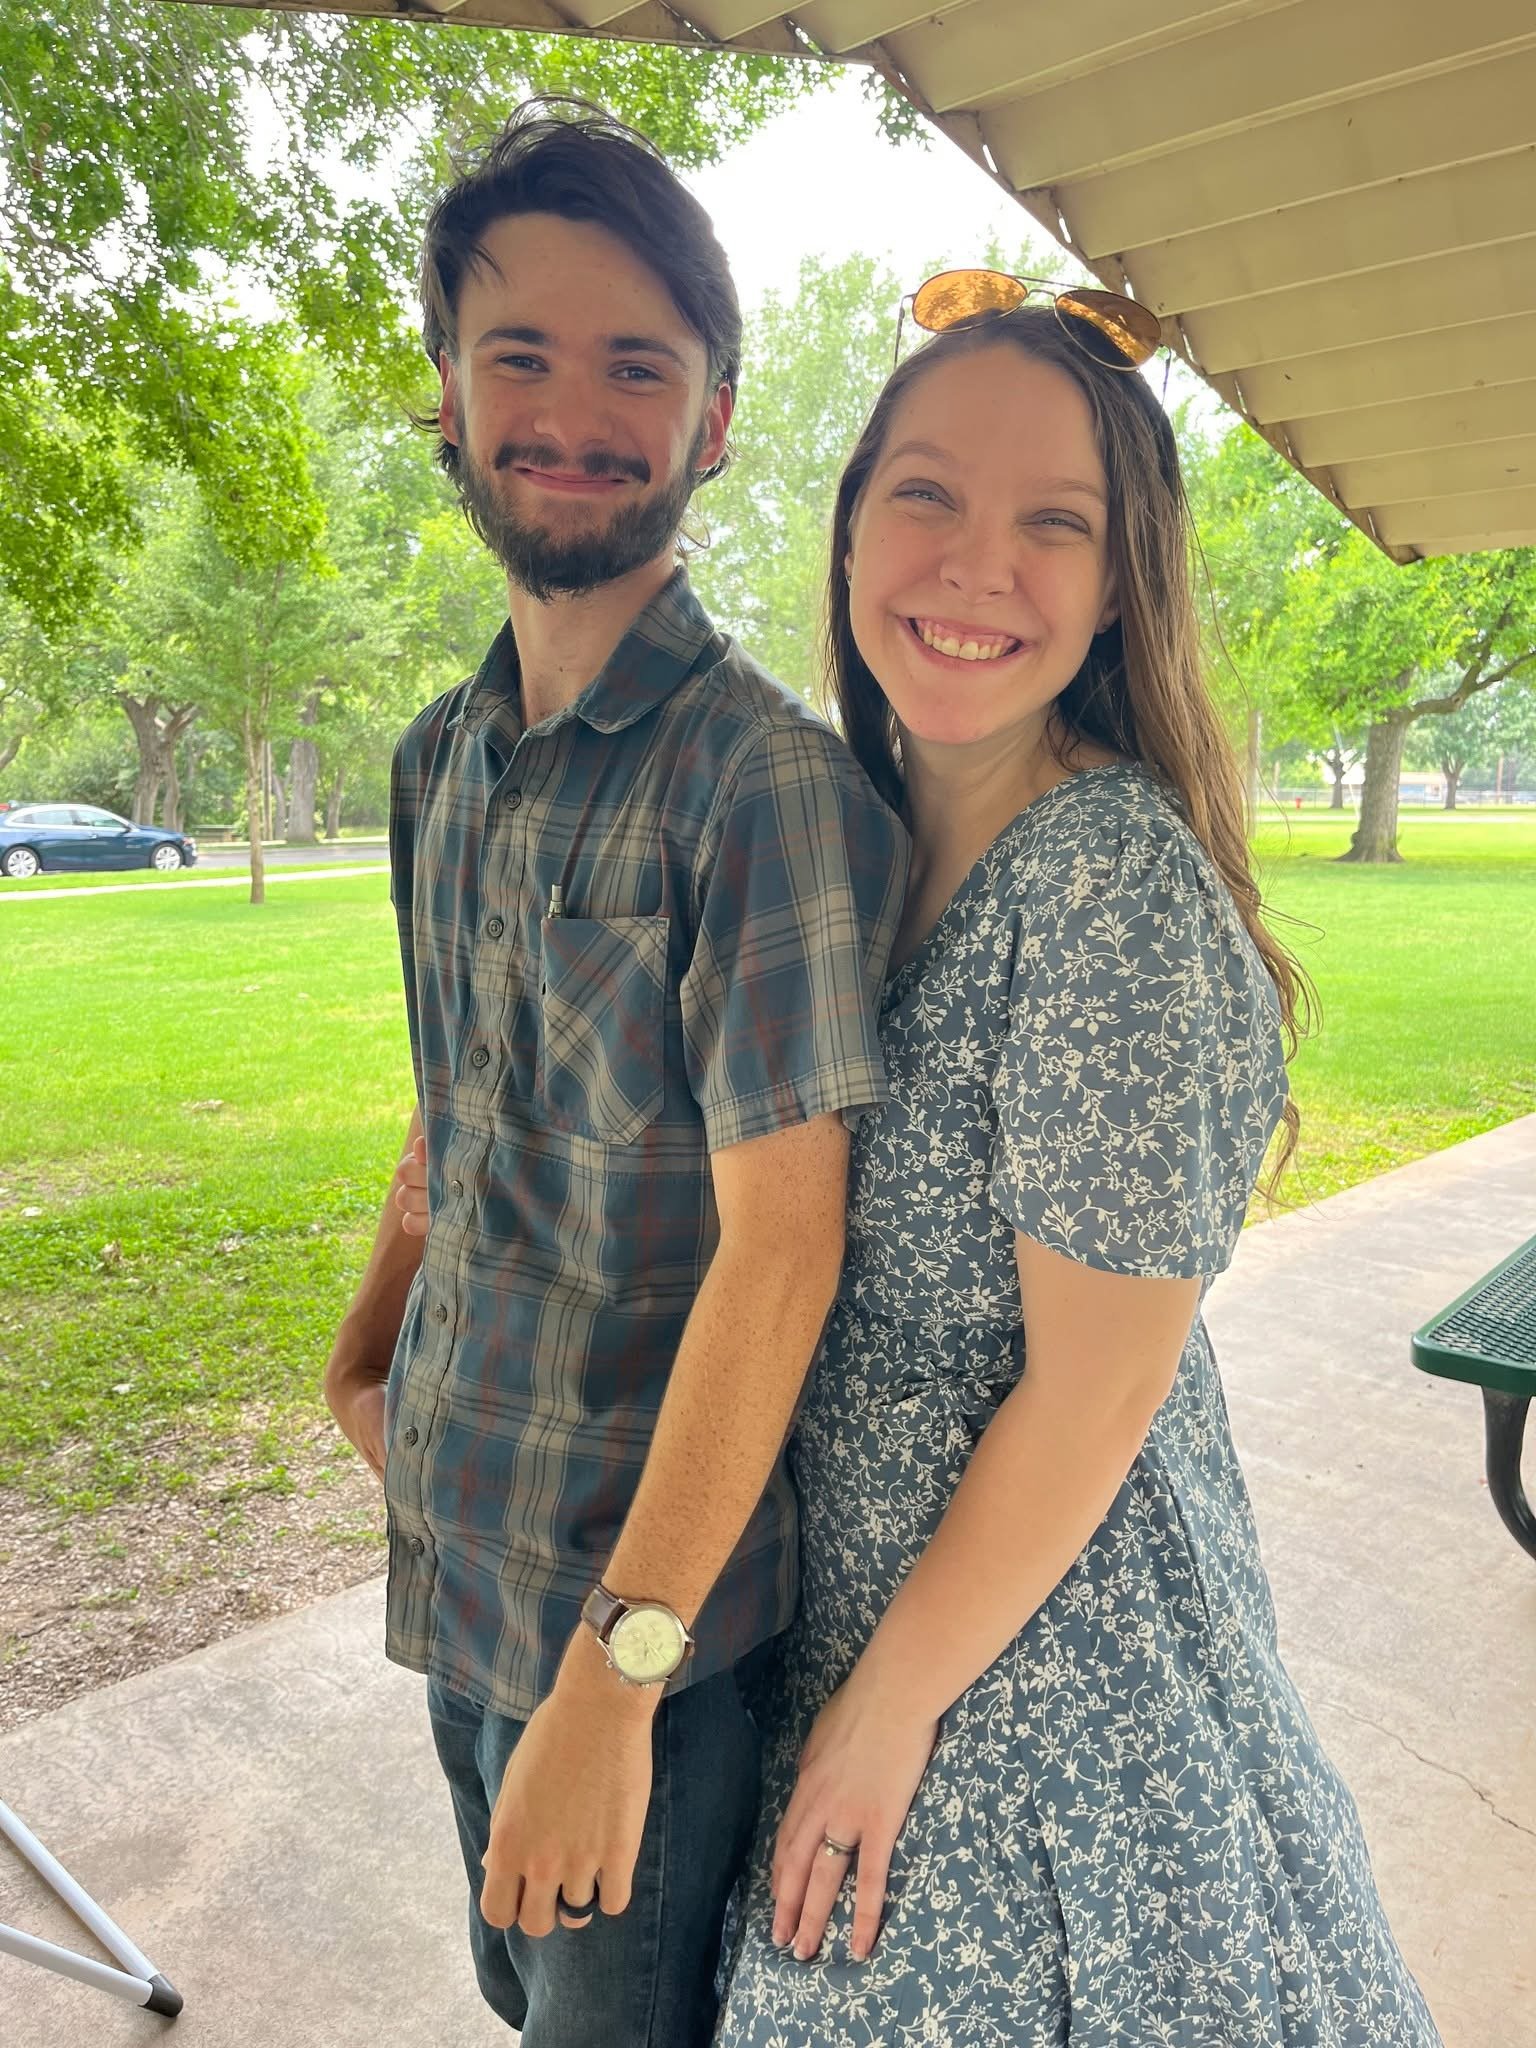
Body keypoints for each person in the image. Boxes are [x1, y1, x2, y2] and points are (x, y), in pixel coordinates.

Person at [705, 279, 1447, 2044]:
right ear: (852, 522)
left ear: (1122, 586)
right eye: (929, 495)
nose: (977, 566)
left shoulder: (1107, 888)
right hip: (870, 1639)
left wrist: (884, 1719)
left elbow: (1097, 1397)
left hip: (1042, 1709)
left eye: (1057, 523)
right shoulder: (865, 858)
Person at [321, 99, 907, 2048]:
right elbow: (458, 1128)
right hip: (456, 1587)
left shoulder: (764, 789)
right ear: (447, 399)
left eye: (636, 364)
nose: (571, 408)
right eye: (520, 356)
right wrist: (365, 1358)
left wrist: (615, 1682)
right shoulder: (436, 765)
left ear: (716, 419)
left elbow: (783, 1261)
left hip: (641, 1648)